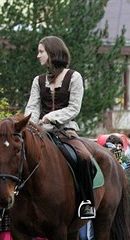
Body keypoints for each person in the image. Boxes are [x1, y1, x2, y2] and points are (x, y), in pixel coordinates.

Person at [23, 36, 96, 219]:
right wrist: (29, 124)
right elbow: (31, 107)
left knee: (85, 157)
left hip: (66, 131)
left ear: (52, 52)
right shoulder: (38, 81)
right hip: (41, 131)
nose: (38, 55)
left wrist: (50, 117)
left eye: (41, 51)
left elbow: (74, 108)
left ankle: (86, 202)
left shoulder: (74, 77)